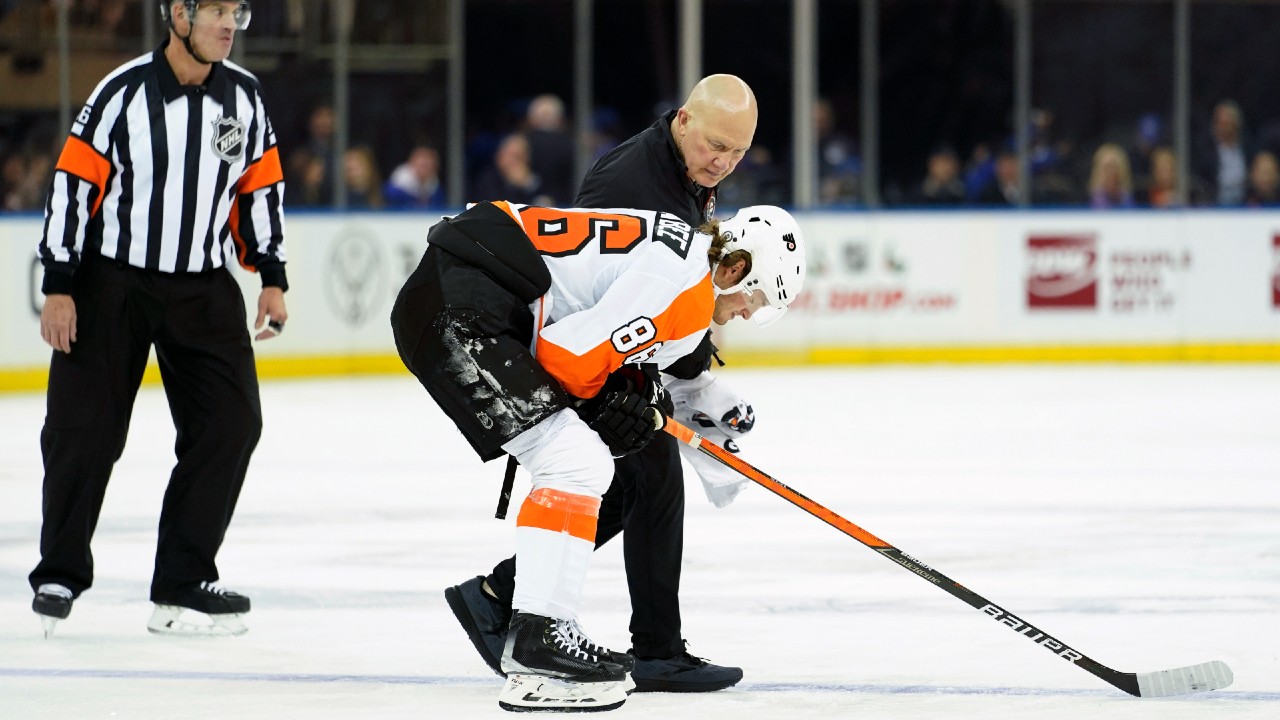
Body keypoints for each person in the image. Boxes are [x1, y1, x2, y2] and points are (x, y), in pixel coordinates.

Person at [390, 200, 805, 711]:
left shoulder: (686, 264)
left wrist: (624, 395)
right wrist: (605, 399)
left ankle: (542, 633)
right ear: (735, 268)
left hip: (463, 295)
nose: (748, 313)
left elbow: (606, 347)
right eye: (755, 300)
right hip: (463, 305)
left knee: (582, 459)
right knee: (576, 461)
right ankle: (538, 645)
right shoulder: (689, 290)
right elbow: (568, 358)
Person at [445, 73, 761, 695]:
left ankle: (499, 598)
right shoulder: (631, 182)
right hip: (573, 348)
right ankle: (650, 649)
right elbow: (611, 303)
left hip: (601, 350)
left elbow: (662, 300)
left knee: (634, 487)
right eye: (715, 145)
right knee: (645, 482)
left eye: (738, 153)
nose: (722, 162)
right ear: (684, 121)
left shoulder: (685, 173)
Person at [30, 0, 287, 639]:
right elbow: (73, 184)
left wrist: (272, 277)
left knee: (232, 423)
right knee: (82, 430)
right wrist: (60, 284)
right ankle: (60, 571)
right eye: (218, 12)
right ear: (178, 15)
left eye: (239, 12)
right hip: (111, 283)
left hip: (203, 287)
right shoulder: (121, 92)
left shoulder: (246, 98)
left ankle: (182, 582)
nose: (230, 25)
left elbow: (259, 188)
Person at [383, 144, 446, 209]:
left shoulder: (435, 187)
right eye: (422, 164)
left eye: (427, 164)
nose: (425, 164)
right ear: (411, 162)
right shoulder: (395, 186)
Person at [1088, 143, 1135, 209]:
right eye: (1107, 167)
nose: (1111, 172)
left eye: (1114, 167)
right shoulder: (1091, 199)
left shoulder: (1126, 197)